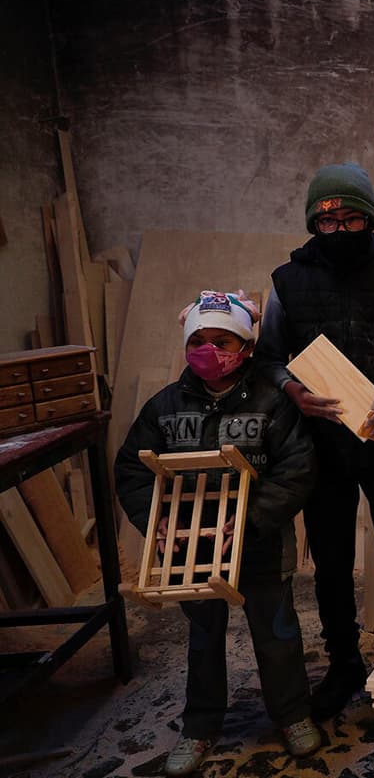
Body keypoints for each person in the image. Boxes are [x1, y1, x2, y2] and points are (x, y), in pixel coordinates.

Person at [115, 291, 321, 776]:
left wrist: (248, 521)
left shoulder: (274, 403)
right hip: (195, 550)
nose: (209, 350)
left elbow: (297, 469)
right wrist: (158, 521)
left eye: (222, 341)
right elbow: (132, 469)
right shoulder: (164, 406)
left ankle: (292, 716)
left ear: (246, 346)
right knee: (203, 641)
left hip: (261, 545)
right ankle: (201, 726)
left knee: (278, 636)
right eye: (199, 341)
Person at [256, 162, 374, 721]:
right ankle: (345, 663)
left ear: (370, 219)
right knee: (329, 563)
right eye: (326, 224)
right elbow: (269, 358)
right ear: (313, 225)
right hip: (321, 447)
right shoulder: (288, 280)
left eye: (352, 220)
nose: (339, 233)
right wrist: (293, 392)